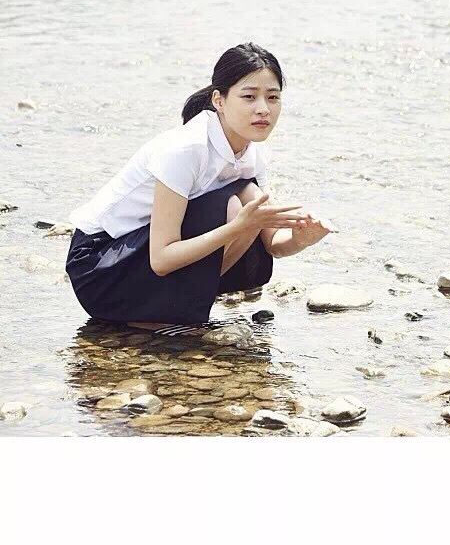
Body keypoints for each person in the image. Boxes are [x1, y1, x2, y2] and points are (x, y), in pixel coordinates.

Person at [65, 42, 336, 333]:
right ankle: (163, 311)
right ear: (219, 100)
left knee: (250, 198)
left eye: (273, 97)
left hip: (136, 259)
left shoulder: (253, 153)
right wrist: (239, 226)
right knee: (237, 207)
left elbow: (273, 243)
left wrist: (302, 238)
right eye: (249, 97)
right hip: (99, 267)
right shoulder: (185, 149)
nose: (263, 109)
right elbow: (161, 259)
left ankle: (176, 308)